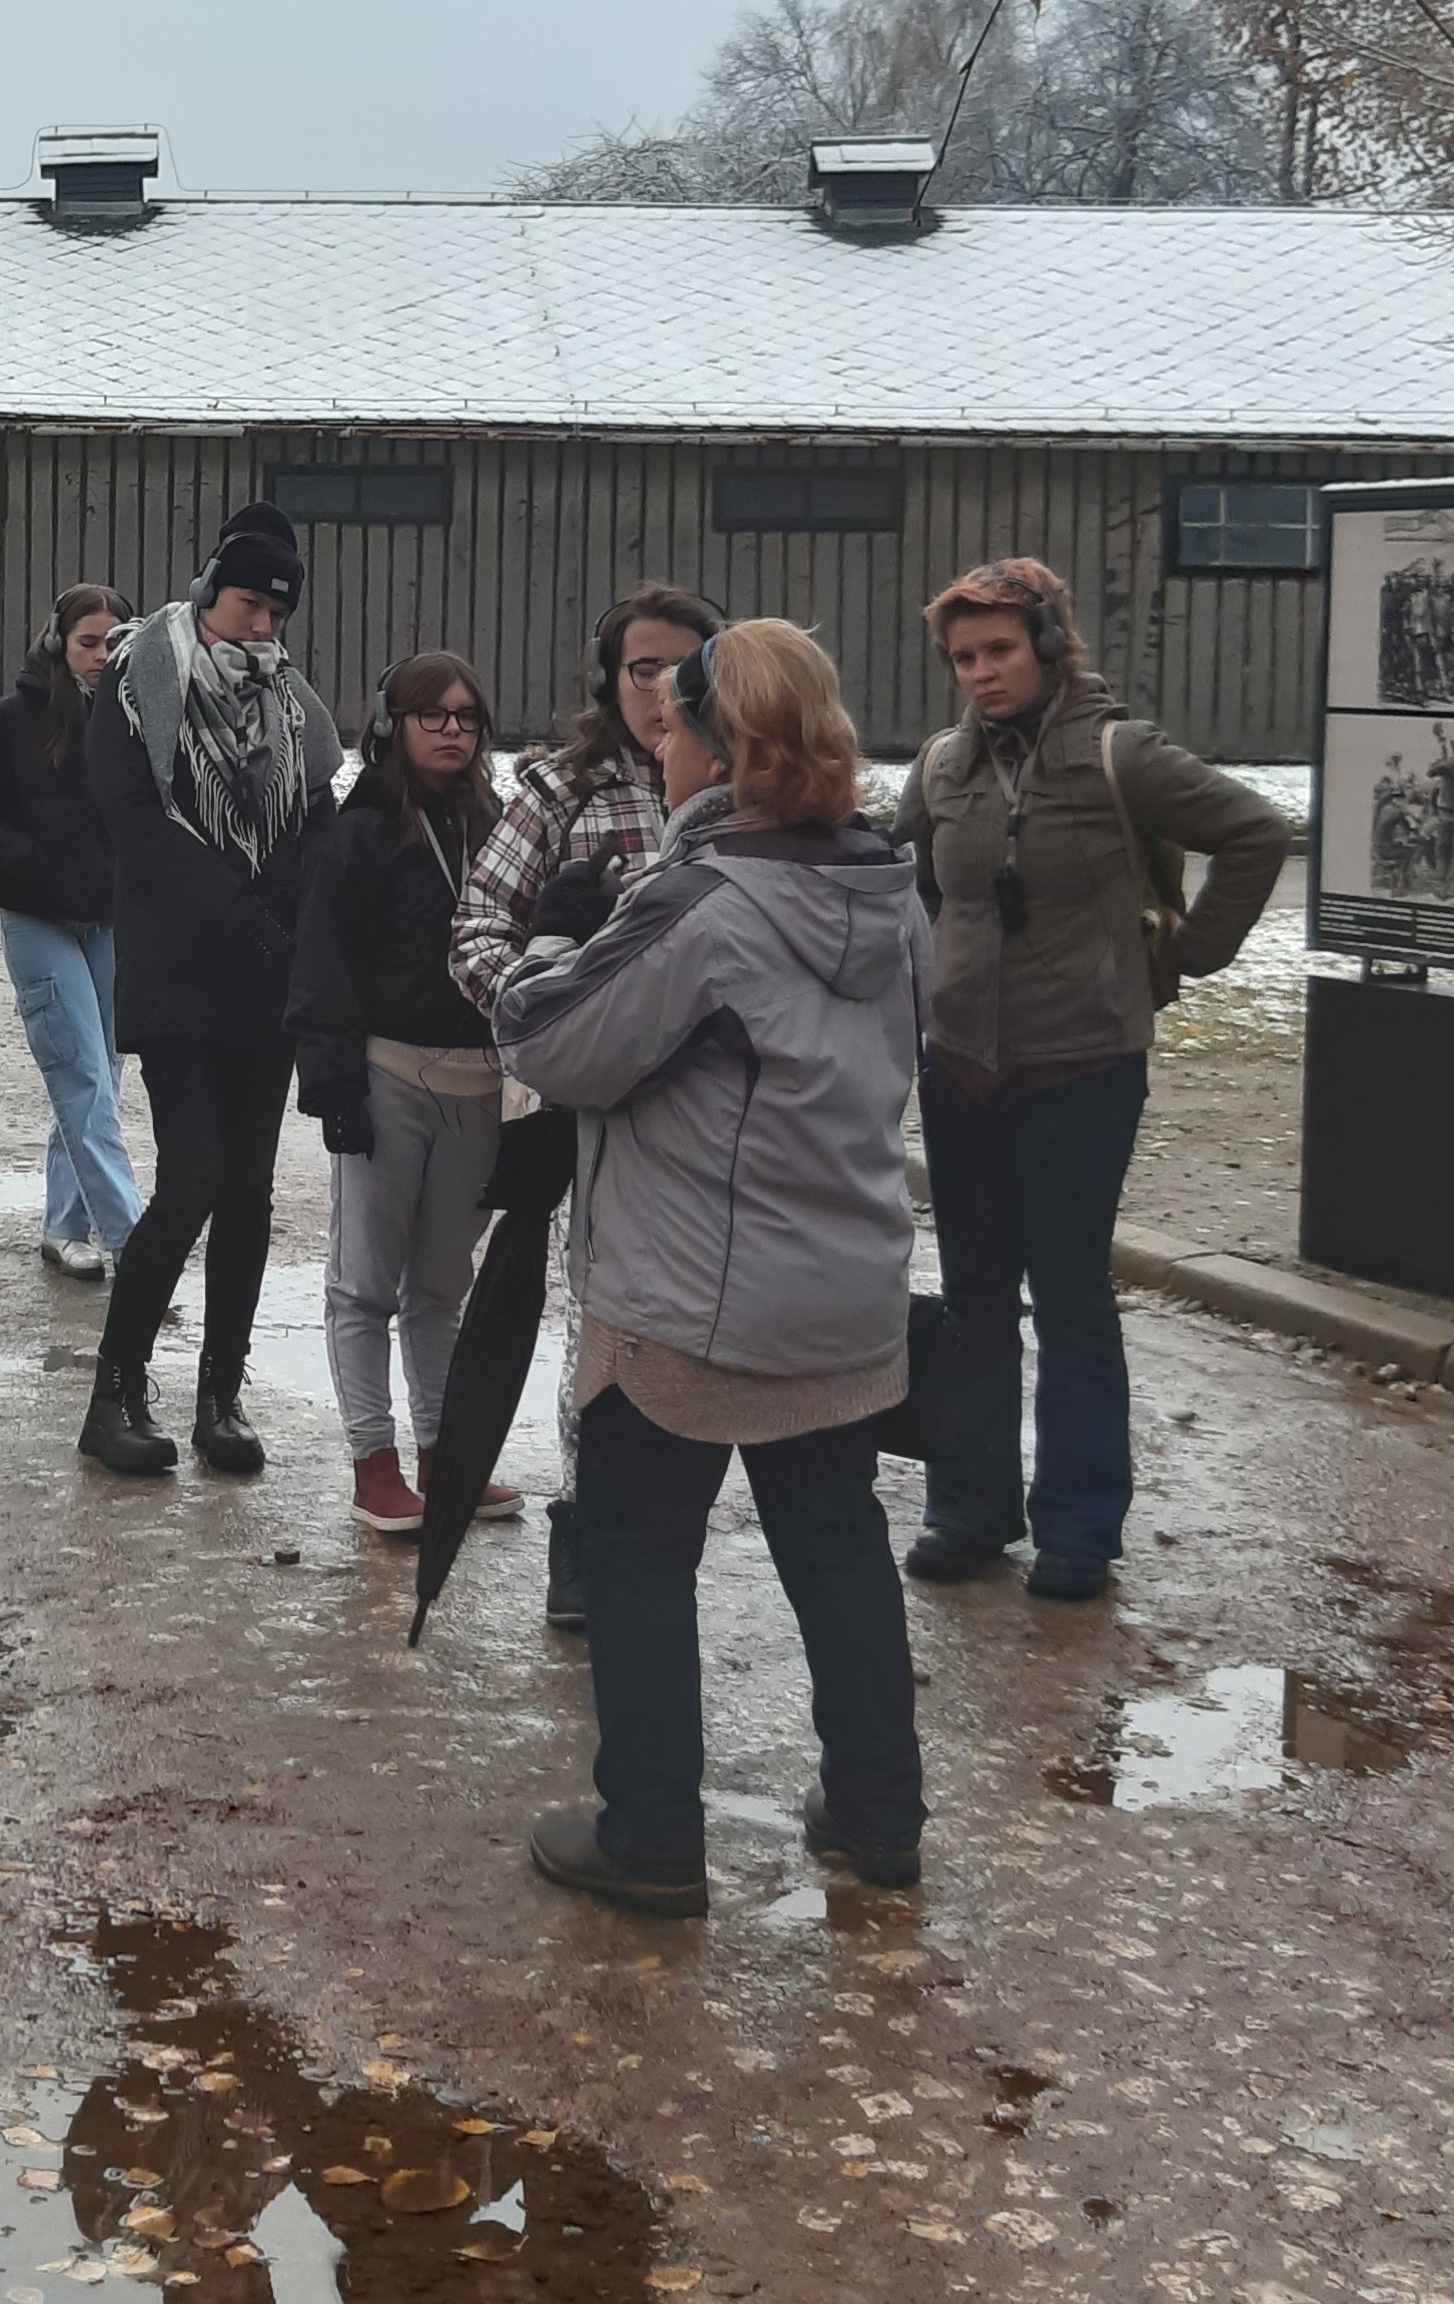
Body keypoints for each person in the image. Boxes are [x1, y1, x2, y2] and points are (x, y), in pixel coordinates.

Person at [494, 618, 931, 1918]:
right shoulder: (886, 889)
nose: (659, 748)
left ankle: (650, 1837)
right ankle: (880, 1815)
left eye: (674, 729)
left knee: (635, 1555)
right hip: (842, 1294)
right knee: (838, 1547)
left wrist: (552, 941)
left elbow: (557, 1046)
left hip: (691, 1304)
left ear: (721, 750)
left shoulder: (704, 902)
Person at [894, 558, 1288, 1601]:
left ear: (1047, 646)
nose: (981, 673)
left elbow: (1255, 832)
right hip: (962, 1069)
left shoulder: (1121, 753)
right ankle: (970, 1508)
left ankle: (1079, 1528)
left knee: (1069, 1293)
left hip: (1082, 1068)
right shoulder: (942, 765)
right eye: (963, 657)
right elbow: (904, 879)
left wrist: (1189, 955)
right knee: (974, 1297)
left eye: (999, 650)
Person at [449, 583, 723, 1627]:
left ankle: (673, 1525)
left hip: (716, 1112)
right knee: (603, 1325)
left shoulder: (752, 783)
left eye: (684, 669)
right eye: (641, 669)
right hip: (589, 1114)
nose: (661, 692)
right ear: (610, 680)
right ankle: (588, 1527)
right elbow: (478, 930)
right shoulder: (561, 791)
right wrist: (550, 1016)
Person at [78, 502, 343, 1477]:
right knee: (193, 1174)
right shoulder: (140, 679)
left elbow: (314, 810)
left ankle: (220, 1397)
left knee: (249, 1191)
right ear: (208, 593)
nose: (262, 627)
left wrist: (299, 918)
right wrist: (236, 907)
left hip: (264, 979)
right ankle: (114, 1393)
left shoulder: (288, 699)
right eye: (248, 606)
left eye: (278, 613)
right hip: (178, 968)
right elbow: (129, 815)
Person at [287, 651, 524, 1535]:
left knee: (441, 1287)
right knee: (364, 1286)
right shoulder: (360, 835)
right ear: (392, 726)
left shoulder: (502, 829)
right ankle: (374, 1468)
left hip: (479, 1084)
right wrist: (334, 1090)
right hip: (387, 1077)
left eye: (467, 716)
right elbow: (322, 969)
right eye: (434, 715)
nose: (453, 730)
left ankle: (444, 1458)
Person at [0, 583, 144, 1280]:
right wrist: (33, 865)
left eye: (113, 642)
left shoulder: (139, 720)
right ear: (59, 641)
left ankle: (66, 1226)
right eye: (88, 642)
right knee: (80, 1074)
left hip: (113, 920)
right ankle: (132, 1241)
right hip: (37, 920)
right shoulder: (10, 720)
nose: (100, 655)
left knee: (101, 1078)